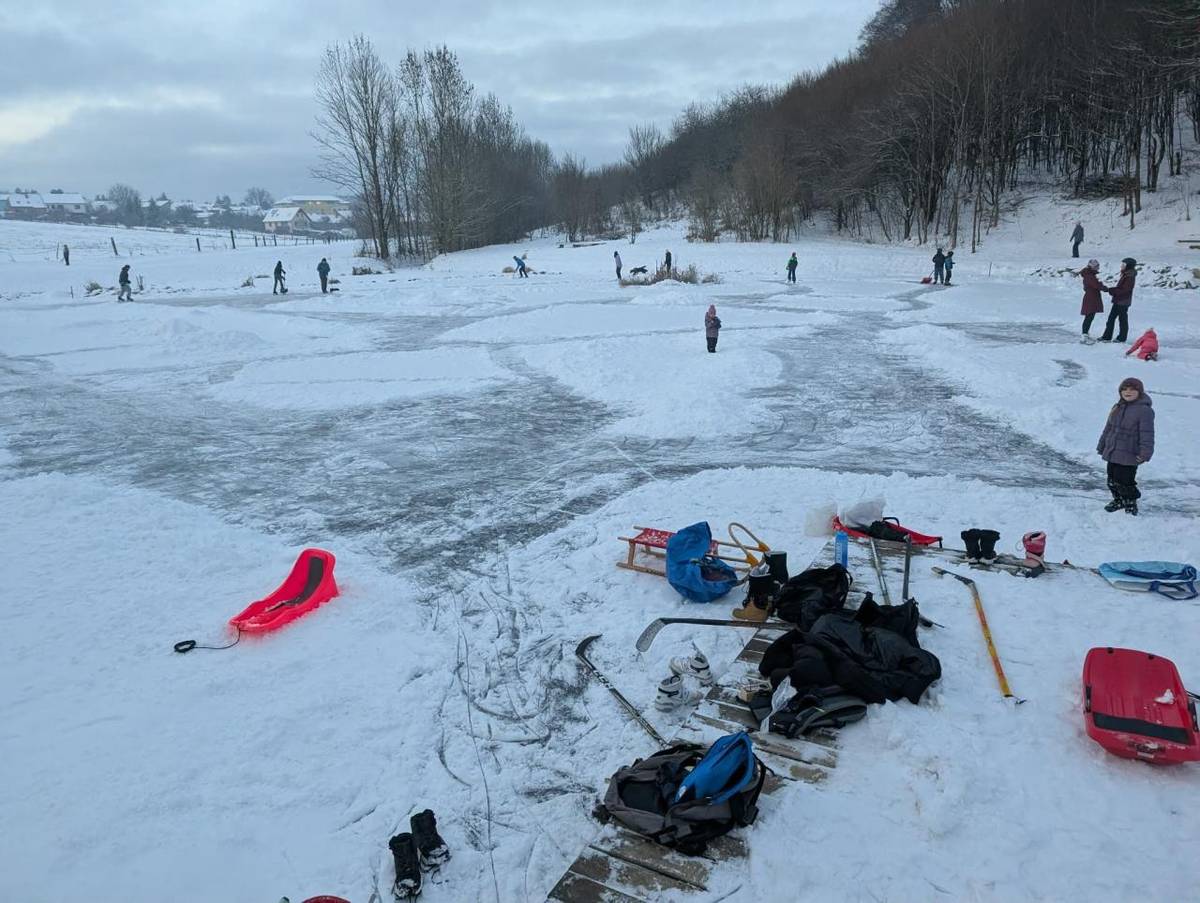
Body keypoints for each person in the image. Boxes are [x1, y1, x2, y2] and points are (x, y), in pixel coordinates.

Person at [1096, 376, 1153, 515]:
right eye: (1124, 389)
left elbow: (1147, 433)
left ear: (1139, 392)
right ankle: (1119, 499)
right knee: (1111, 479)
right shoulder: (1117, 407)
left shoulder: (1144, 411)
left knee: (1125, 480)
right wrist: (1102, 444)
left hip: (1130, 452)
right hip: (1113, 450)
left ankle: (1130, 502)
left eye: (1132, 389)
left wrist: (1145, 453)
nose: (1128, 392)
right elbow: (1108, 428)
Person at [1099, 257, 1136, 343]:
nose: (1121, 266)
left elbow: (1125, 290)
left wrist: (1112, 291)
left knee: (1122, 320)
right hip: (1119, 300)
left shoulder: (1130, 276)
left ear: (1128, 266)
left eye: (1124, 265)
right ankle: (1107, 337)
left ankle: (1121, 338)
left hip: (1123, 301)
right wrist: (1113, 290)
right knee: (1111, 319)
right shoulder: (1126, 274)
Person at [1077, 259, 1106, 344]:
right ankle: (1084, 335)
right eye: (1097, 266)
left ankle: (1085, 333)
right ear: (1092, 267)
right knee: (1089, 316)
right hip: (1091, 298)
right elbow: (1096, 285)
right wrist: (1104, 288)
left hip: (1092, 297)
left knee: (1090, 316)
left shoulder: (1090, 275)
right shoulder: (1089, 276)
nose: (1098, 268)